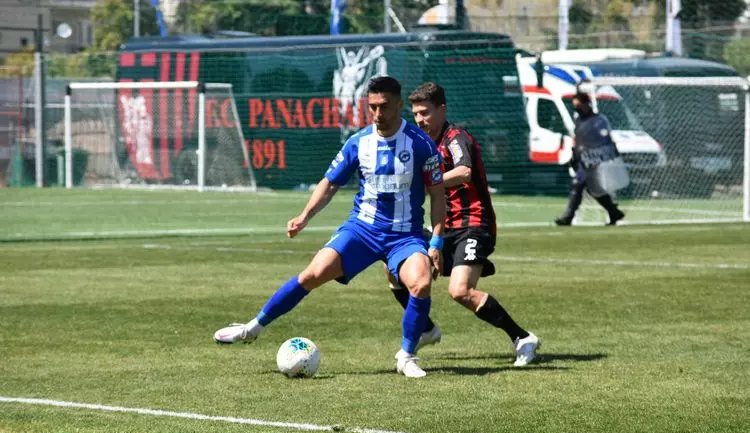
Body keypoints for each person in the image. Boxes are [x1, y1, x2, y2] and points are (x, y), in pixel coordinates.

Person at [213, 76, 446, 379]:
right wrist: (304, 216)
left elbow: (438, 195)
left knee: (421, 282)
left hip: (405, 235)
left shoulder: (421, 145)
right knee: (312, 274)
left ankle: (406, 356)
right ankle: (252, 328)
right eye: (372, 106)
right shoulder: (358, 142)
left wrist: (436, 242)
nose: (378, 113)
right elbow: (329, 183)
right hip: (362, 231)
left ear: (399, 105)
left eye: (385, 106)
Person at [385, 82, 541, 367]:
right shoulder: (420, 144)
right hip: (442, 228)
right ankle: (426, 329)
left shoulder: (456, 137)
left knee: (460, 291)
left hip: (473, 224)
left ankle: (522, 338)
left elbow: (464, 172)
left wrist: (426, 183)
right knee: (393, 266)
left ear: (442, 110)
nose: (419, 119)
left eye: (425, 112)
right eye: (416, 114)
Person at [554, 90, 626, 226]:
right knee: (593, 188)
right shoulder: (578, 120)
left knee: (578, 183)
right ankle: (614, 212)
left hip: (595, 159)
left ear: (586, 104)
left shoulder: (598, 121)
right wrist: (574, 156)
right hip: (583, 159)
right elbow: (578, 141)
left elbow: (605, 139)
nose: (577, 109)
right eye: (575, 106)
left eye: (579, 105)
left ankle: (568, 216)